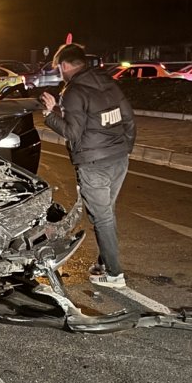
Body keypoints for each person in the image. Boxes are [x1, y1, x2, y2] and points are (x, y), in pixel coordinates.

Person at [40, 43, 136, 289]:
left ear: (64, 66)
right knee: (107, 213)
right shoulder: (107, 83)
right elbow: (129, 119)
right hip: (118, 158)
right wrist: (125, 149)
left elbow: (72, 133)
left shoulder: (73, 91)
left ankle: (114, 275)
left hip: (94, 163)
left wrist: (50, 115)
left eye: (58, 68)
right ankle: (105, 264)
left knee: (102, 217)